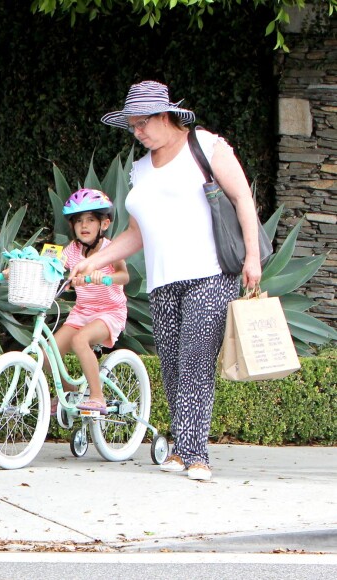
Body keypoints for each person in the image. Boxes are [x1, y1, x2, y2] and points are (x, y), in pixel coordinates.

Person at [70, 81, 262, 481]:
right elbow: (137, 233)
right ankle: (179, 448)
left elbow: (243, 199)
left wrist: (253, 257)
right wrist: (95, 260)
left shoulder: (207, 148)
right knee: (173, 366)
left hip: (210, 273)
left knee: (194, 363)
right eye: (132, 125)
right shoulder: (140, 168)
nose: (137, 132)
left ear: (166, 116)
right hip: (163, 280)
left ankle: (197, 456)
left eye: (143, 123)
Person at [56, 189, 129, 414]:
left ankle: (97, 397)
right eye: (79, 221)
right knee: (51, 352)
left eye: (90, 220)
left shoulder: (110, 249)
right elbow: (53, 264)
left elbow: (124, 276)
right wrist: (18, 267)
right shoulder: (73, 249)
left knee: (80, 340)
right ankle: (70, 394)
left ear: (103, 224)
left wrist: (106, 278)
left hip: (110, 312)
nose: (84, 225)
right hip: (82, 312)